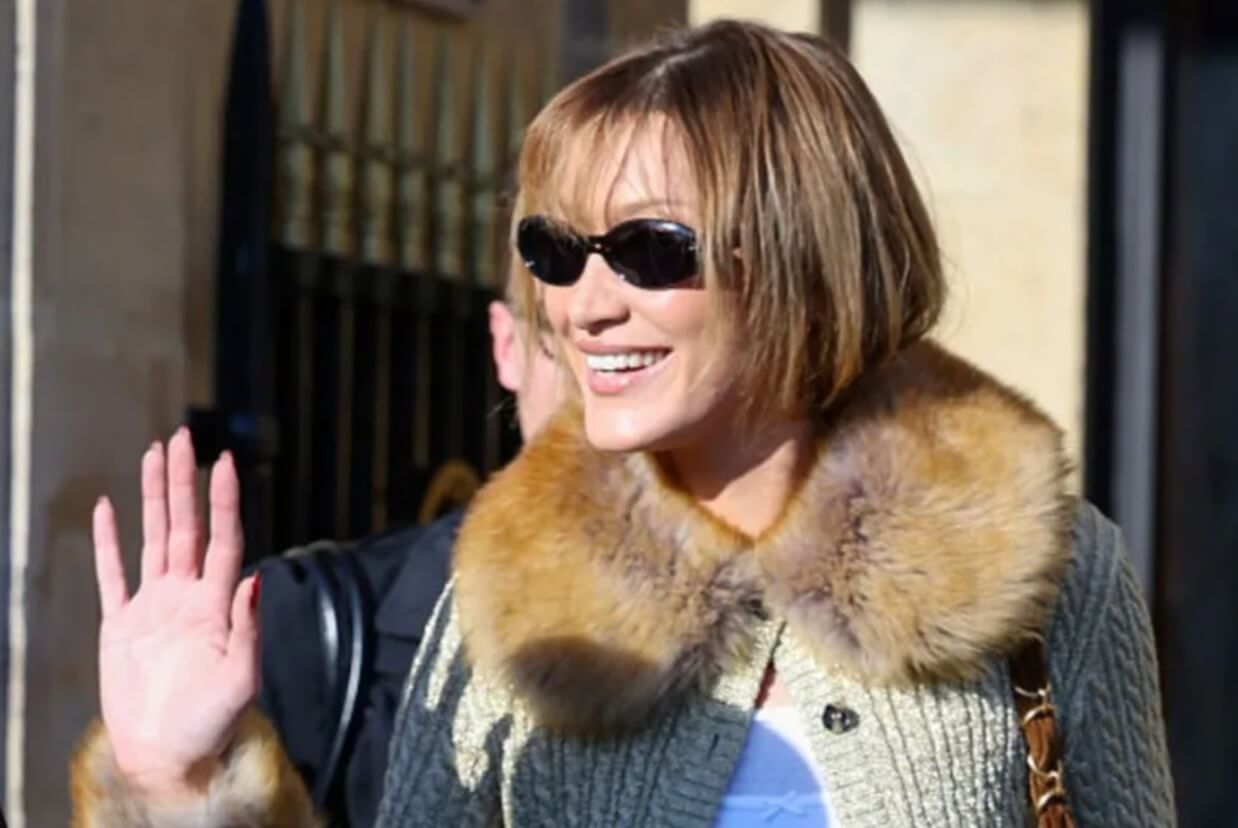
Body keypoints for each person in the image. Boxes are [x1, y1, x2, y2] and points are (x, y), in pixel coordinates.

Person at [71, 19, 1176, 827]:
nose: (583, 303)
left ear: (805, 255)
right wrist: (178, 785)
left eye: (649, 249)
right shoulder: (510, 593)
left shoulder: (1049, 572)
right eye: (554, 252)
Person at [253, 297, 564, 827]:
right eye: (567, 338)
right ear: (508, 343)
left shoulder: (745, 640)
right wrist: (168, 787)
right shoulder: (304, 626)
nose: (603, 382)